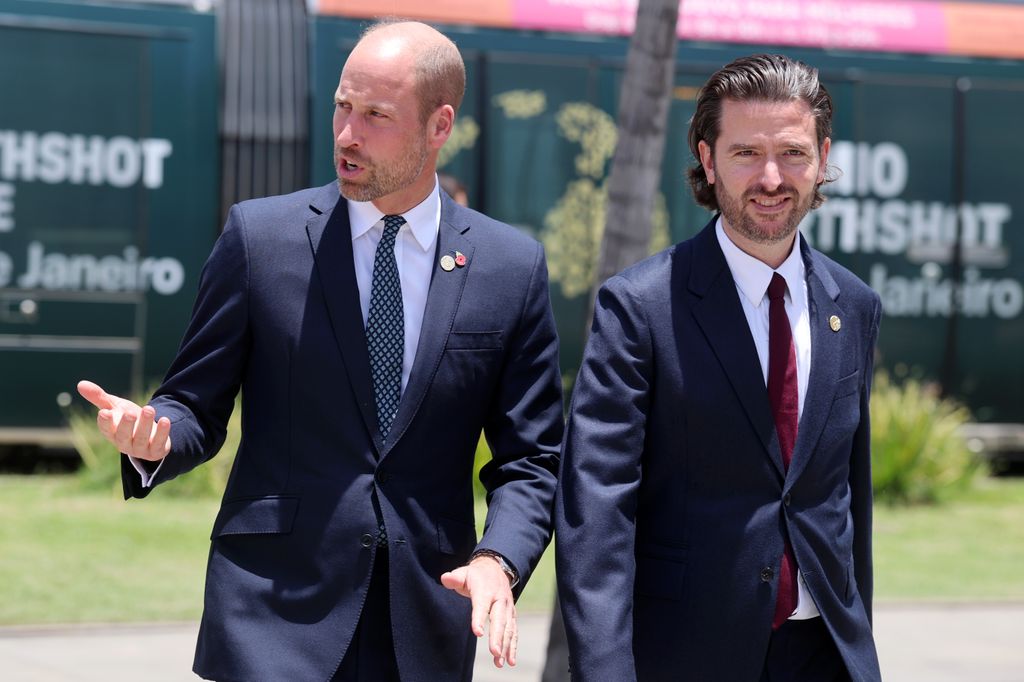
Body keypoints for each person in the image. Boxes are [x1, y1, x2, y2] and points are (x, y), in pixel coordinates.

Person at [77, 20, 563, 682]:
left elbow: (532, 459)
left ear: (439, 125)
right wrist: (154, 435)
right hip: (270, 614)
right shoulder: (259, 238)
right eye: (342, 106)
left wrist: (496, 560)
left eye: (375, 115)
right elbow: (192, 402)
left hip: (422, 622)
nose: (347, 134)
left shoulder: (510, 267)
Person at [555, 54, 882, 681]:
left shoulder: (855, 305)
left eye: (792, 153)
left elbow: (847, 499)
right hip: (687, 656)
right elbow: (596, 511)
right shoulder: (640, 306)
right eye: (745, 153)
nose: (771, 178)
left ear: (822, 158)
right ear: (708, 160)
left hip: (824, 654)